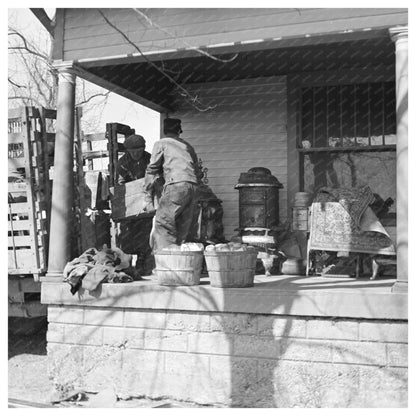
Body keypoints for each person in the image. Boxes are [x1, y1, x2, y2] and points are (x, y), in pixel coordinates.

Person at [144, 118, 202, 252]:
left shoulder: (161, 143)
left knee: (163, 223)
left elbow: (152, 169)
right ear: (179, 131)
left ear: (164, 130)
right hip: (193, 187)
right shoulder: (187, 146)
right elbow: (197, 173)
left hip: (176, 185)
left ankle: (167, 262)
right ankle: (182, 262)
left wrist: (147, 196)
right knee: (183, 226)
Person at [116, 134, 154, 276]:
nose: (136, 154)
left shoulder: (150, 159)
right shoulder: (123, 162)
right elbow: (120, 184)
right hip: (130, 203)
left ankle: (144, 263)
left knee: (146, 233)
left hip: (147, 201)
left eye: (139, 150)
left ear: (143, 149)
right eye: (132, 152)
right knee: (128, 235)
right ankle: (128, 265)